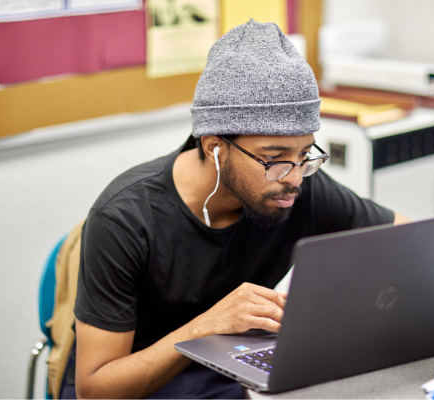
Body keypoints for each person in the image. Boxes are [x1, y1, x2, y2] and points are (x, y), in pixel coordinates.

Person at [71, 19, 409, 399]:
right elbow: (94, 389)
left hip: (230, 368)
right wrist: (206, 327)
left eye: (305, 154)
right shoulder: (126, 217)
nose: (295, 178)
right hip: (140, 382)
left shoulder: (295, 185)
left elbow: (412, 243)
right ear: (215, 147)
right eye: (275, 158)